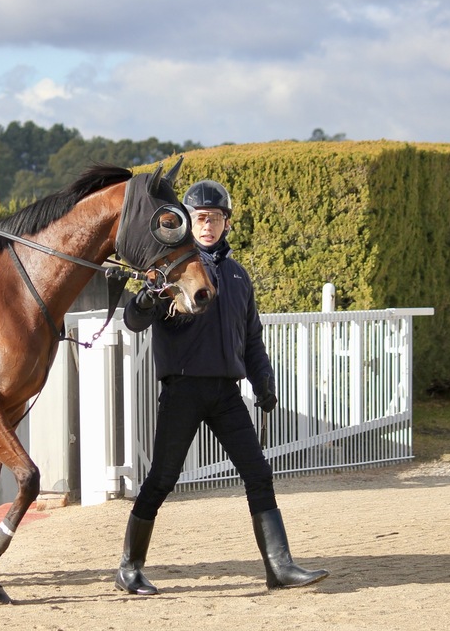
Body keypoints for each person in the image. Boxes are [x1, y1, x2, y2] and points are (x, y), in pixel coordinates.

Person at [116, 179, 329, 594]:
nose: (208, 225)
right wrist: (144, 301)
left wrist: (263, 380)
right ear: (187, 223)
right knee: (161, 479)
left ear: (226, 223)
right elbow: (134, 320)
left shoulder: (237, 275)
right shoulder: (174, 270)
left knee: (258, 473)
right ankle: (129, 568)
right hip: (183, 390)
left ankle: (279, 567)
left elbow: (251, 337)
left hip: (226, 393)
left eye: (215, 218)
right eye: (200, 218)